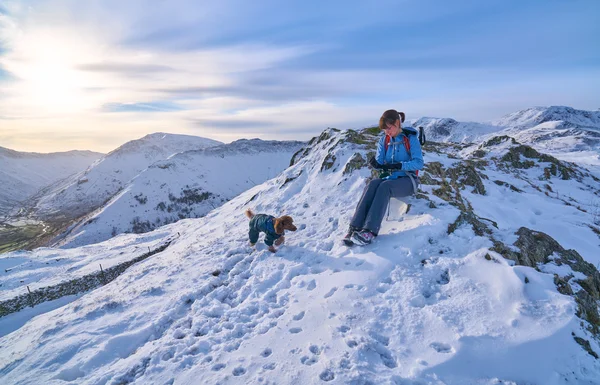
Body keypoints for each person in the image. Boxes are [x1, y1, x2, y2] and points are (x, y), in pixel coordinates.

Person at [343, 109, 424, 246]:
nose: (387, 132)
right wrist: (376, 163)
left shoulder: (410, 139)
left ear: (397, 123)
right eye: (384, 129)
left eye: (389, 128)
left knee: (384, 187)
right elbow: (381, 162)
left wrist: (399, 166)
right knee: (373, 183)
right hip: (391, 178)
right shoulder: (384, 140)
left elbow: (419, 163)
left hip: (408, 180)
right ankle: (354, 228)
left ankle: (369, 231)